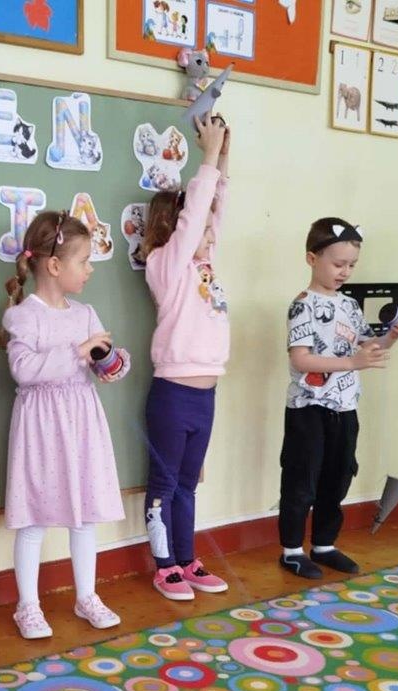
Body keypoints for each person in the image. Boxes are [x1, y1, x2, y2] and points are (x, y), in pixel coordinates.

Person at [1, 211, 130, 639]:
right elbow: (24, 369)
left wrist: (111, 363)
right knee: (33, 519)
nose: (90, 269)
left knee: (84, 515)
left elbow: (103, 360)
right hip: (41, 426)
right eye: (84, 261)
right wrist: (78, 352)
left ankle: (86, 595)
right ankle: (28, 605)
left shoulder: (85, 313)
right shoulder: (24, 315)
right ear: (55, 265)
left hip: (81, 421)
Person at [279, 218, 398, 579]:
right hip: (309, 408)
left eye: (352, 265)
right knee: (301, 479)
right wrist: (352, 362)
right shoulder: (303, 305)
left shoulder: (350, 305)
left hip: (345, 407)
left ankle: (324, 544)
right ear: (312, 258)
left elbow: (370, 346)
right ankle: (291, 550)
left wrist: (393, 336)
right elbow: (301, 359)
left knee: (338, 476)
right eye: (338, 264)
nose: (345, 272)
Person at [141, 114, 232, 600]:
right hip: (173, 396)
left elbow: (213, 212)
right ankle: (164, 566)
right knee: (165, 483)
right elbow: (196, 214)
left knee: (188, 484)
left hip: (205, 396)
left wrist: (225, 159)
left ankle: (186, 558)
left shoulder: (203, 266)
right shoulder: (166, 266)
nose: (211, 234)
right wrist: (208, 158)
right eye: (200, 229)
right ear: (175, 229)